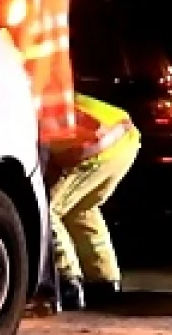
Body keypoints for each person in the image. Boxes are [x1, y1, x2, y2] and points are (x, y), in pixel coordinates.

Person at [2, 0, 81, 309]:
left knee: (22, 202)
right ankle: (49, 290)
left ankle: (44, 289)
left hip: (20, 99)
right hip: (51, 102)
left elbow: (14, 39)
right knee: (39, 200)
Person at [47, 93, 143, 309]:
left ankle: (67, 282)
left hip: (100, 148)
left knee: (47, 210)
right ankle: (104, 282)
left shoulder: (31, 110)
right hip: (125, 143)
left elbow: (91, 135)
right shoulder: (48, 96)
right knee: (81, 209)